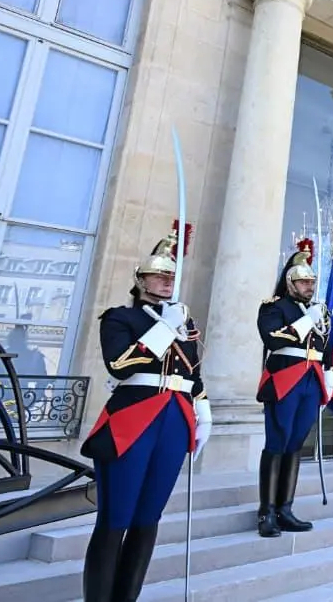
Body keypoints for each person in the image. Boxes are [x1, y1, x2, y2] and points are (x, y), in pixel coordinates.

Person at [80, 228, 211, 602]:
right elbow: (120, 365)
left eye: (172, 276)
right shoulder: (120, 318)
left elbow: (191, 374)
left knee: (147, 519)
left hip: (174, 418)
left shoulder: (183, 323)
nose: (167, 281)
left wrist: (203, 410)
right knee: (115, 519)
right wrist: (163, 329)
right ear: (140, 281)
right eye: (158, 275)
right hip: (133, 418)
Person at [255, 238, 333, 537]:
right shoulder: (274, 308)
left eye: (311, 282)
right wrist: (304, 322)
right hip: (285, 379)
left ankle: (285, 507)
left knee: (296, 443)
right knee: (277, 441)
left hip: (310, 380)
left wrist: (329, 372)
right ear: (289, 282)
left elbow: (323, 346)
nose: (309, 287)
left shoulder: (317, 310)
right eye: (302, 282)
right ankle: (267, 511)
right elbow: (273, 339)